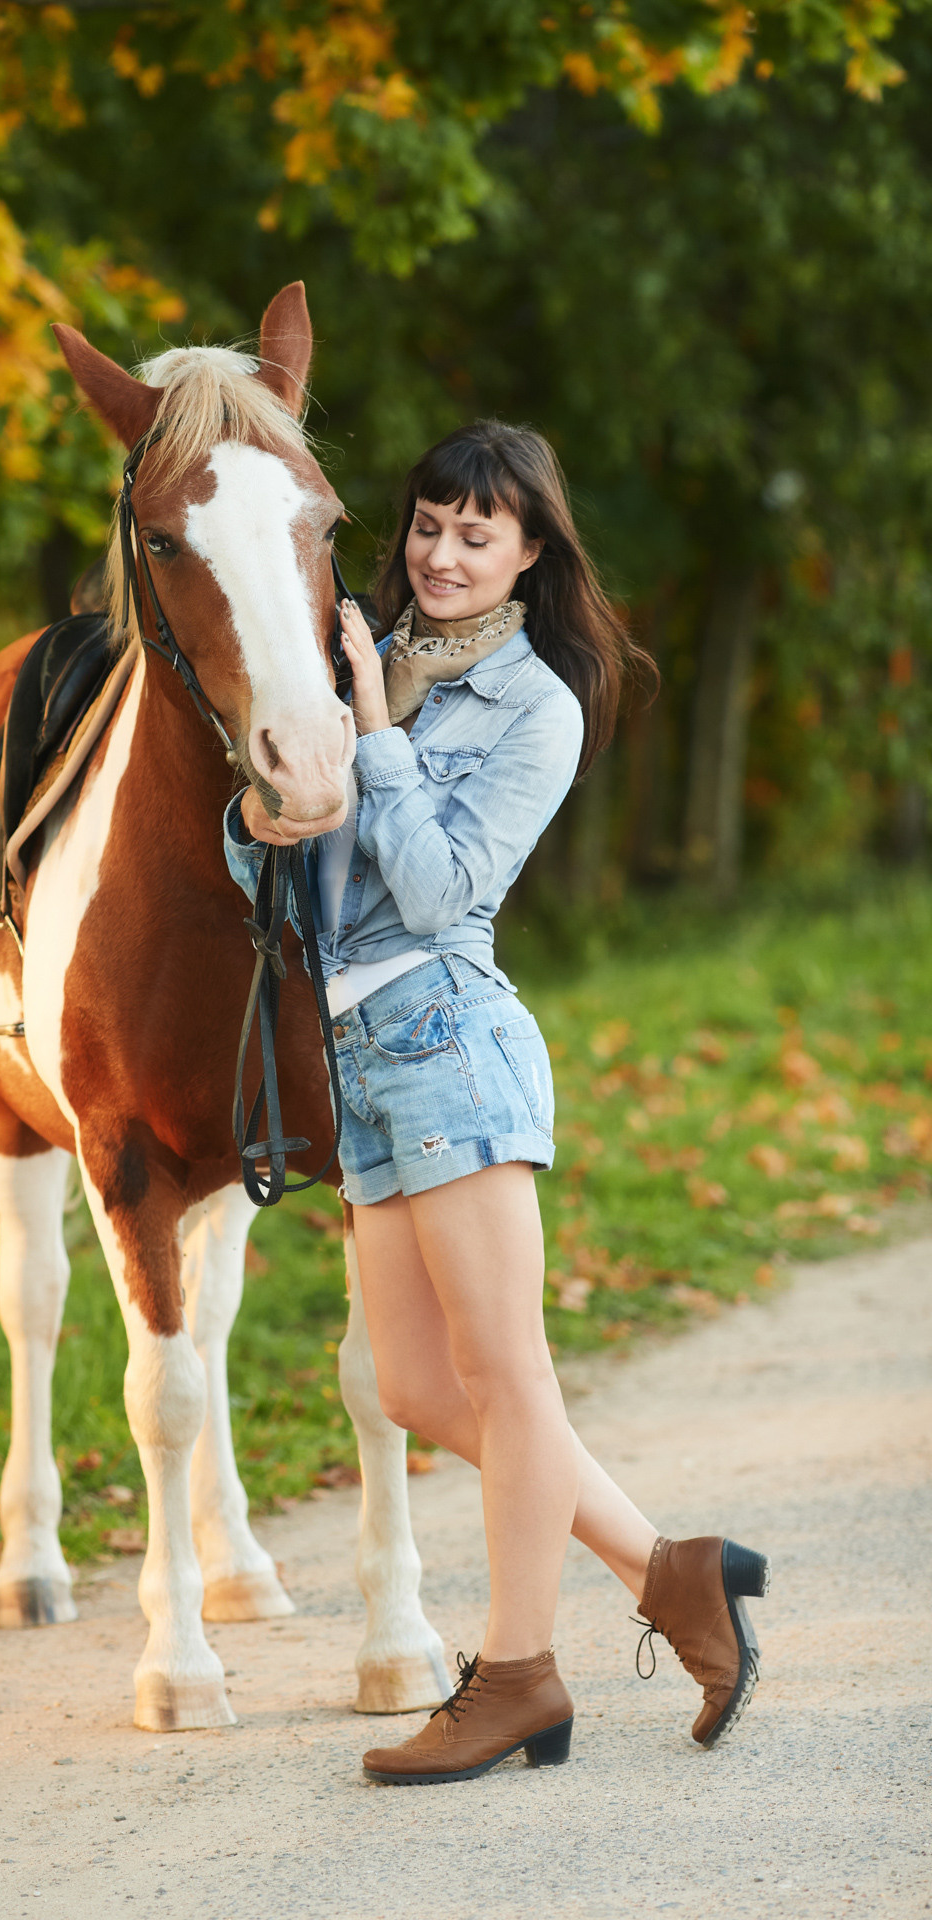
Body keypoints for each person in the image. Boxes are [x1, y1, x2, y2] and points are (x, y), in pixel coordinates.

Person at [223, 419, 768, 1786]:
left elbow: (437, 891)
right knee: (414, 1384)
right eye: (428, 525)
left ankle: (518, 1675)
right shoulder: (353, 658)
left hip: (446, 1041)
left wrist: (376, 735)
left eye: (479, 534)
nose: (443, 554)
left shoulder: (537, 708)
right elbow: (287, 887)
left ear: (530, 553)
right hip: (356, 1064)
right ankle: (671, 1571)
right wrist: (260, 821)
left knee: (508, 1376)